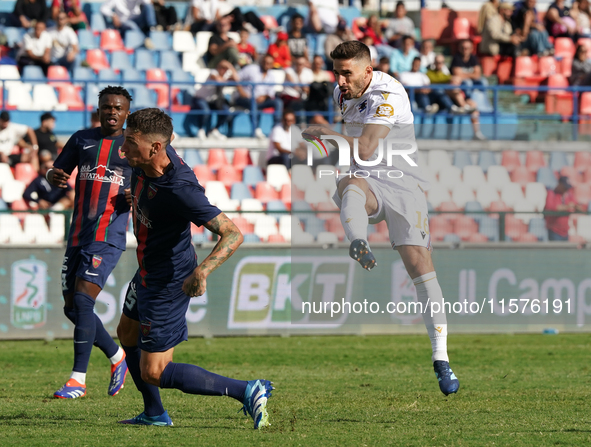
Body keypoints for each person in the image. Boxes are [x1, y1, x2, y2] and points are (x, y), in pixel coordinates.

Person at [302, 41, 460, 396]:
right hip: (369, 181)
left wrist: (324, 133)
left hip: (404, 184)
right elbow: (353, 151)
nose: (341, 80)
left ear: (368, 71)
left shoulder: (389, 94)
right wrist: (320, 143)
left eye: (348, 73)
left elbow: (367, 147)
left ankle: (441, 357)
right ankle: (358, 240)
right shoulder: (340, 93)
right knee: (348, 183)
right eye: (337, 73)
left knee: (420, 266)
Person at [116, 107, 273, 428]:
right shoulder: (148, 158)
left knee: (155, 371)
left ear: (156, 147)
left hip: (168, 280)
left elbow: (233, 233)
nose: (123, 148)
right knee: (126, 333)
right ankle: (154, 414)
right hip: (148, 268)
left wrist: (202, 271)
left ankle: (247, 390)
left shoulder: (181, 190)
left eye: (130, 142)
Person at [47, 86, 133, 399]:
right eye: (106, 107)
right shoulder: (83, 139)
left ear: (126, 113)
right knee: (72, 308)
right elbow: (58, 170)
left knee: (83, 301)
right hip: (77, 235)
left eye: (118, 108)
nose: (112, 112)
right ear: (98, 109)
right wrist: (51, 176)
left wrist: (134, 195)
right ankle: (117, 357)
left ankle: (77, 380)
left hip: (108, 235)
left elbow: (152, 182)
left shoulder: (133, 145)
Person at [427, 55, 486, 140]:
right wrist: (450, 81)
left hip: (457, 99)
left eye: (441, 62)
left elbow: (455, 79)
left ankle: (477, 133)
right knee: (456, 93)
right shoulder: (430, 73)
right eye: (437, 62)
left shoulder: (446, 74)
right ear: (434, 63)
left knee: (473, 106)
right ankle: (464, 107)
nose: (439, 64)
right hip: (443, 100)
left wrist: (454, 80)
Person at [233, 54, 283, 138]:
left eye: (269, 63)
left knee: (278, 102)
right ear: (261, 62)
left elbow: (270, 93)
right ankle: (256, 129)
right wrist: (242, 92)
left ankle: (276, 128)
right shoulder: (251, 69)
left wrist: (264, 97)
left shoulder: (271, 76)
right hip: (244, 98)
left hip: (260, 100)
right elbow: (236, 78)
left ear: (272, 65)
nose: (266, 65)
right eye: (265, 62)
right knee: (253, 103)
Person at [187, 59, 237, 139]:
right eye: (223, 68)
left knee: (226, 111)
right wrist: (227, 80)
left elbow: (237, 80)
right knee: (205, 111)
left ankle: (214, 130)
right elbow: (218, 80)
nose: (224, 70)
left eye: (226, 69)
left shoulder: (224, 77)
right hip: (200, 98)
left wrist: (231, 67)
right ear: (218, 68)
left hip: (212, 101)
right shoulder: (213, 73)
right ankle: (200, 130)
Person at [544, 176, 585, 240]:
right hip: (554, 231)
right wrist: (567, 206)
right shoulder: (552, 193)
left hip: (565, 232)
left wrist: (575, 206)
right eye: (565, 187)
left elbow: (580, 208)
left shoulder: (568, 195)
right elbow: (552, 208)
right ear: (560, 185)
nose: (566, 189)